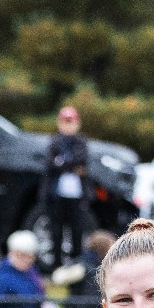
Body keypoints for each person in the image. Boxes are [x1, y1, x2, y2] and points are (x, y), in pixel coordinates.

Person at [38, 106, 92, 268]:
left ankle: (76, 263)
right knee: (56, 231)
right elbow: (51, 164)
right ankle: (56, 265)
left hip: (76, 194)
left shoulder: (81, 141)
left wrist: (62, 162)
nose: (68, 126)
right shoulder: (55, 141)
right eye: (65, 122)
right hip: (57, 194)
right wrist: (68, 164)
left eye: (71, 122)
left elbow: (81, 162)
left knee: (77, 230)